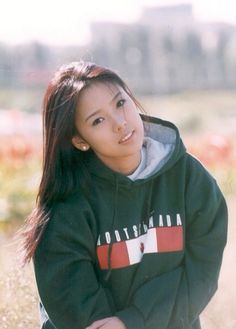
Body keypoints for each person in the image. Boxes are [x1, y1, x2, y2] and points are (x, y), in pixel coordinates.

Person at [20, 61, 228, 329]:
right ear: (80, 140)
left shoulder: (188, 178)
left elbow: (201, 273)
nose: (119, 123)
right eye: (98, 120)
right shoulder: (67, 206)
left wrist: (134, 321)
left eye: (120, 103)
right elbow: (72, 303)